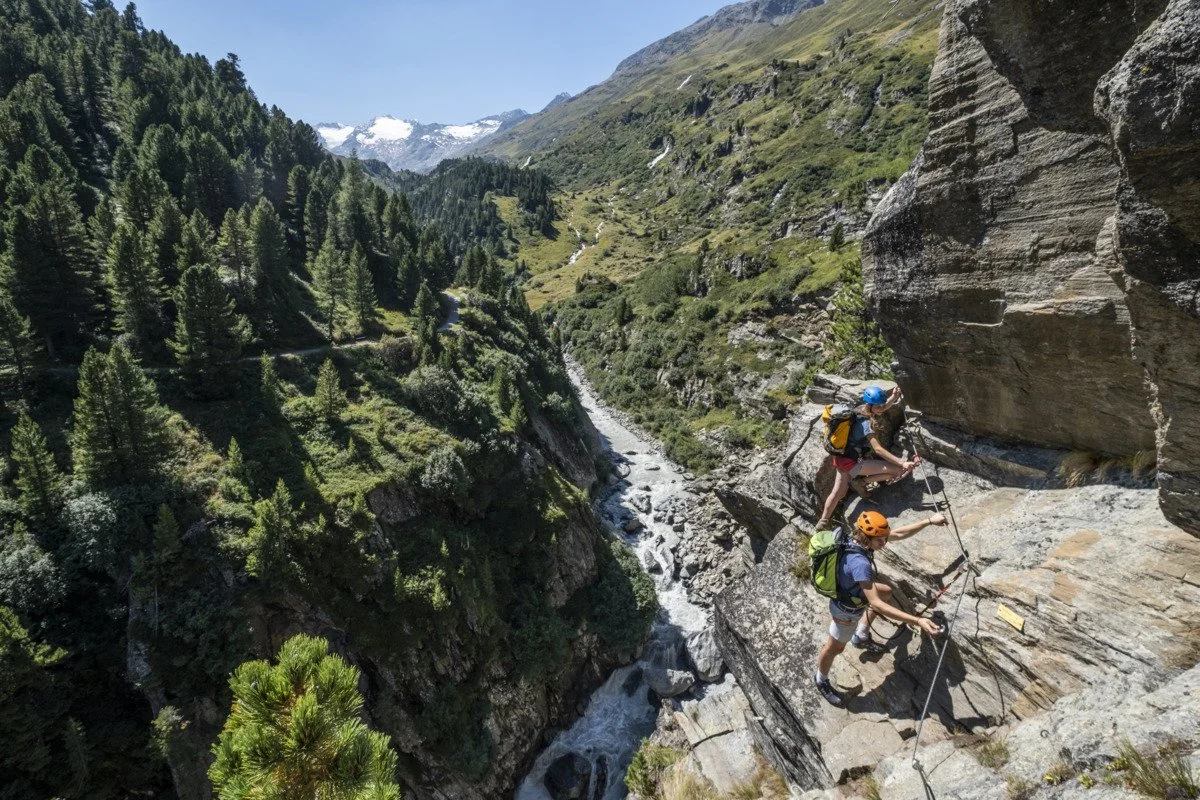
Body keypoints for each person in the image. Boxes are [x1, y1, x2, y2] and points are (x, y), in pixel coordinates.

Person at [813, 509, 948, 707]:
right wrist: (917, 620)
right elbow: (876, 604)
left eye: (884, 539)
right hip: (845, 611)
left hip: (852, 590)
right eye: (880, 541)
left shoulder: (855, 538)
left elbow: (899, 534)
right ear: (867, 539)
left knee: (885, 591)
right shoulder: (860, 564)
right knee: (835, 648)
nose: (884, 544)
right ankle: (821, 679)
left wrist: (929, 521)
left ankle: (861, 635)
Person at [815, 385, 917, 531]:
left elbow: (881, 407)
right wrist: (902, 462)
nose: (882, 408)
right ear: (871, 405)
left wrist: (893, 397)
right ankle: (861, 481)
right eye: (879, 406)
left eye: (882, 405)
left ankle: (823, 521)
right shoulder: (865, 425)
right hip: (854, 463)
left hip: (841, 458)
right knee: (897, 470)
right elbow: (878, 449)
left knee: (839, 492)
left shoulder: (860, 409)